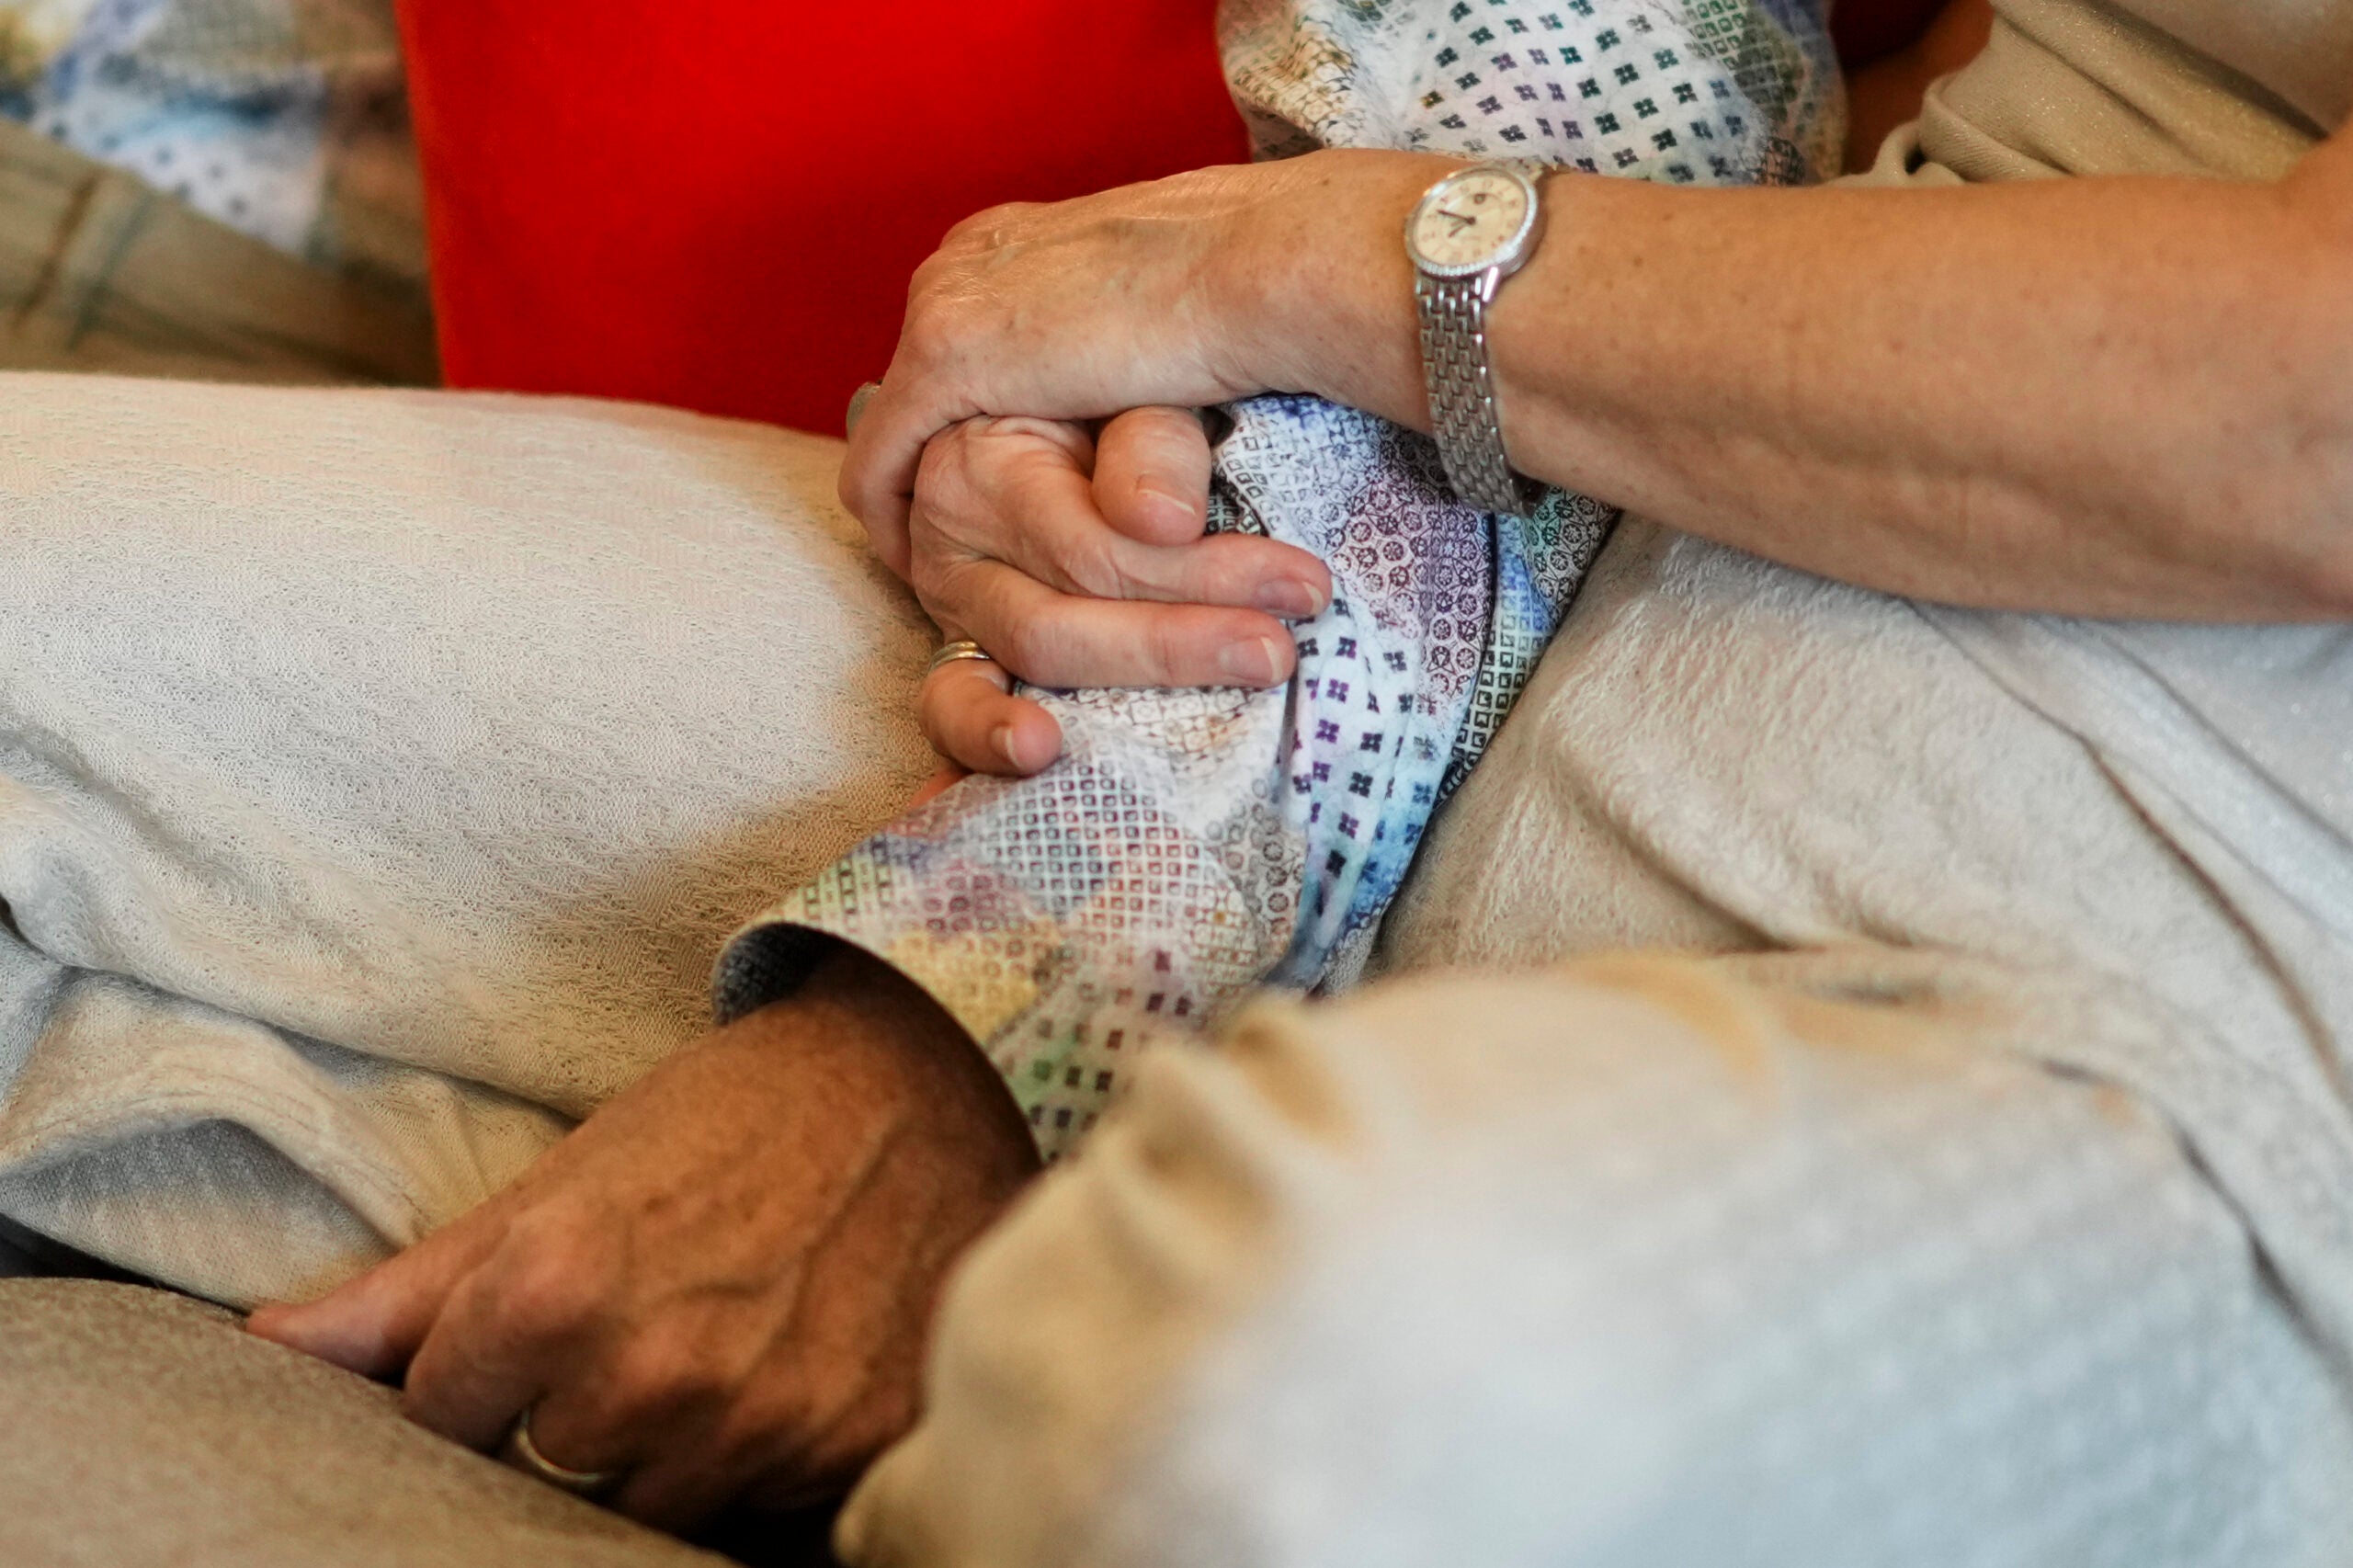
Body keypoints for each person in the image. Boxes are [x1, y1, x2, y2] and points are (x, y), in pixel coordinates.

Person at [0, 2, 2346, 1565]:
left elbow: (2300, 405)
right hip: (1526, 574)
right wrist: (1105, 439)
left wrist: (1316, 264)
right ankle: (797, 1288)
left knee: (1334, 1366)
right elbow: (1601, 74)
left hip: (2157, 977)